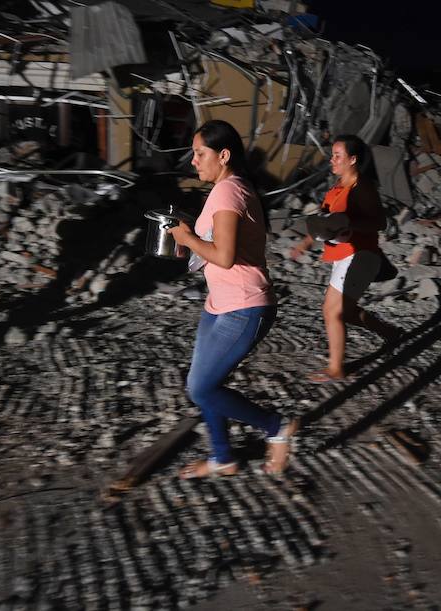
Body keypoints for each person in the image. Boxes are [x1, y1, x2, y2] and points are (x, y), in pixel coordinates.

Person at [168, 120, 297, 477]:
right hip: (220, 304)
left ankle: (276, 426)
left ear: (223, 155)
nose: (193, 161)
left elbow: (224, 256)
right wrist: (189, 244)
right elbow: (215, 250)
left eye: (200, 154)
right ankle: (222, 457)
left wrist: (188, 237)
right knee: (204, 385)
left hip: (245, 305)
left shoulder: (228, 191)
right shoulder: (228, 188)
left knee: (201, 388)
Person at [291, 134, 401, 382]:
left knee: (332, 312)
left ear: (352, 159)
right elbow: (324, 221)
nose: (332, 159)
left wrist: (351, 225)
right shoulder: (336, 190)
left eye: (337, 155)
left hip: (360, 256)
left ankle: (336, 369)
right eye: (333, 155)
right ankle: (390, 332)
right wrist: (306, 242)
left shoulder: (362, 188)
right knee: (346, 312)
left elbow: (380, 222)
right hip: (343, 256)